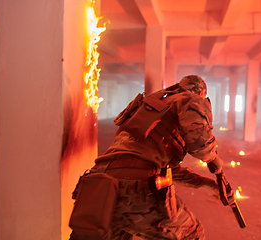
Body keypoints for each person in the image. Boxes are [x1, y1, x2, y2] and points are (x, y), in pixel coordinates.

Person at [69, 75, 234, 240]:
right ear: (201, 93)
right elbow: (200, 143)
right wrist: (215, 162)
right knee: (192, 234)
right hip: (135, 190)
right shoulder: (191, 100)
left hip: (98, 187)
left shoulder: (152, 107)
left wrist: (211, 185)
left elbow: (170, 170)